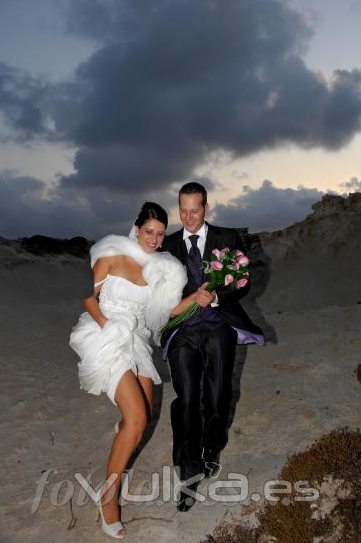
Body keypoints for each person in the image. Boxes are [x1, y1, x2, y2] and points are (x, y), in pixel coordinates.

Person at [69, 202, 191, 538]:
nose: (154, 239)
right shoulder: (110, 253)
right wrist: (108, 326)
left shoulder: (162, 269)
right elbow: (87, 297)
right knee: (137, 420)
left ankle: (123, 430)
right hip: (106, 333)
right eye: (149, 231)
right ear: (136, 228)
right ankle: (107, 499)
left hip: (137, 340)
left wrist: (198, 298)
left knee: (142, 417)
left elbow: (169, 311)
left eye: (160, 234)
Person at [162, 182, 264, 512]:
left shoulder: (227, 238)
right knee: (187, 400)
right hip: (183, 334)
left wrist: (218, 297)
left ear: (206, 208)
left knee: (218, 395)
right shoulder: (168, 245)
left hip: (219, 328)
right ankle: (188, 473)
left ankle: (212, 446)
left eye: (195, 210)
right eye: (183, 210)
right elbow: (160, 293)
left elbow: (242, 282)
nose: (188, 217)